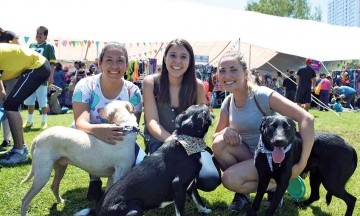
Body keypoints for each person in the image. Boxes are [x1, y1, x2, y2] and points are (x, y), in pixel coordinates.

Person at [211, 51, 314, 213]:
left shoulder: (262, 95)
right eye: (222, 71)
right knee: (219, 144)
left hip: (273, 158)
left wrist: (301, 165)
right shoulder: (228, 101)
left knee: (229, 179)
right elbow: (215, 135)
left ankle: (278, 184)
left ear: (245, 73)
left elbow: (306, 119)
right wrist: (227, 130)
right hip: (251, 157)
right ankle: (245, 194)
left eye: (233, 69)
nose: (227, 75)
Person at [142, 38, 221, 192]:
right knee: (162, 182)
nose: (177, 61)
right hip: (161, 141)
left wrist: (190, 145)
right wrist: (172, 140)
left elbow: (202, 122)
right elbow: (151, 121)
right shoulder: (150, 82)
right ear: (165, 58)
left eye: (183, 57)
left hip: (191, 143)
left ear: (190, 60)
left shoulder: (197, 86)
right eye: (172, 55)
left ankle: (189, 181)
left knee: (209, 180)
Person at [72, 41, 145, 202]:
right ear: (99, 63)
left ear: (126, 65)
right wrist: (98, 130)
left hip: (120, 137)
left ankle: (113, 185)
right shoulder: (85, 86)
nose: (114, 65)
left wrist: (113, 134)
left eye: (120, 60)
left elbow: (133, 127)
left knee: (139, 163)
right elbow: (80, 123)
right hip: (91, 135)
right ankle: (94, 179)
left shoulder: (133, 91)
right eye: (109, 60)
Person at [0, 43, 51, 164]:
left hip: (37, 66)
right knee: (10, 105)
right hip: (33, 66)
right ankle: (20, 148)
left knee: (10, 105)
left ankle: (20, 151)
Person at [23, 26, 56, 130]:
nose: (38, 35)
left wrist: (50, 77)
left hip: (42, 77)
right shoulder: (31, 45)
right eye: (37, 32)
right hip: (30, 77)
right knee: (29, 100)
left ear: (46, 35)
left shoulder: (49, 46)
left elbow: (52, 63)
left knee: (42, 100)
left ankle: (44, 121)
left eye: (41, 33)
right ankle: (29, 121)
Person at [0, 28, 20, 151]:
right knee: (3, 107)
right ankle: (7, 139)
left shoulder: (9, 34)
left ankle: (18, 143)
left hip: (13, 75)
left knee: (11, 107)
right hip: (3, 76)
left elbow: (19, 49)